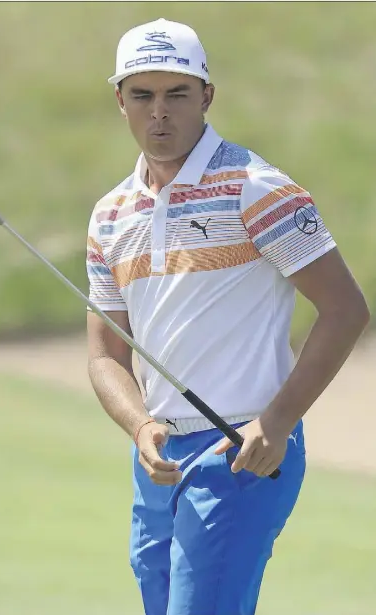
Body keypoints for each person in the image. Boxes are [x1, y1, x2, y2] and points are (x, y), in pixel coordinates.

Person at [85, 17, 370, 615]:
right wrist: (139, 426)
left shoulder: (257, 189)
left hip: (241, 450)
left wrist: (279, 421)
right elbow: (106, 355)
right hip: (160, 461)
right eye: (142, 95)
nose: (158, 112)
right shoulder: (110, 216)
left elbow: (345, 309)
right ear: (120, 101)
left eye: (177, 94)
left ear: (206, 96)